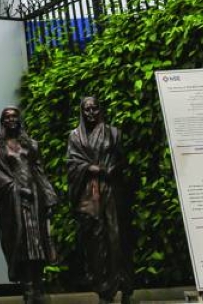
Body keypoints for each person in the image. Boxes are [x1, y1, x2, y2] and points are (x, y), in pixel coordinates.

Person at [0, 106, 57, 304]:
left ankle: (39, 284)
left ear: (19, 119)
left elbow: (40, 172)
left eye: (14, 116)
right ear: (3, 121)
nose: (11, 120)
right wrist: (16, 188)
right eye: (7, 117)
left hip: (35, 200)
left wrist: (49, 196)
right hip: (14, 204)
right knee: (22, 244)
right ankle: (27, 287)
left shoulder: (31, 145)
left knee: (38, 243)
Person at [67, 97, 132, 304]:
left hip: (112, 193)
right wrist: (89, 168)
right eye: (87, 109)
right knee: (95, 243)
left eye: (95, 108)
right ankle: (104, 290)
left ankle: (124, 286)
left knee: (117, 240)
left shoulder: (113, 133)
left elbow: (123, 159)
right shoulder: (75, 136)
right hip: (89, 195)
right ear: (82, 112)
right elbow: (71, 162)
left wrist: (113, 168)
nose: (91, 113)